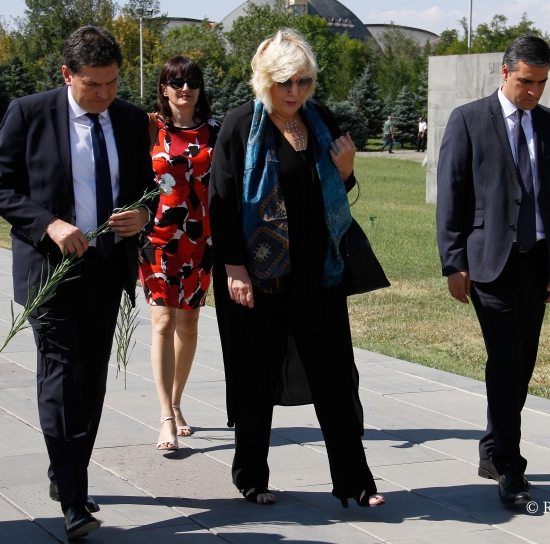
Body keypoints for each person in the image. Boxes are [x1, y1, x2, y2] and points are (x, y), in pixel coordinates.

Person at [0, 27, 156, 538]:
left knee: (91, 379)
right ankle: (76, 501)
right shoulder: (30, 113)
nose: (103, 95)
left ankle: (65, 471)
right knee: (60, 371)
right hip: (49, 271)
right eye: (92, 85)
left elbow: (147, 187)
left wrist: (141, 214)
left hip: (105, 268)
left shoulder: (126, 119)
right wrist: (48, 224)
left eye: (112, 83)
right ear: (66, 75)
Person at [209, 28, 384, 508]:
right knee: (257, 376)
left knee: (336, 377)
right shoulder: (239, 126)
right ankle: (252, 475)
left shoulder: (320, 120)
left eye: (303, 81)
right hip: (259, 278)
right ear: (265, 80)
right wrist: (234, 268)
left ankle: (356, 482)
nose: (295, 92)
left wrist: (347, 172)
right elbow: (221, 205)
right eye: (285, 82)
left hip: (317, 273)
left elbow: (334, 194)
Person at [436, 35, 550, 505]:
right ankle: (511, 469)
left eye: (541, 83)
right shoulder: (469, 120)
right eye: (525, 82)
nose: (533, 92)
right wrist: (454, 261)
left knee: (523, 364)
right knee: (507, 361)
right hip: (488, 262)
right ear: (504, 72)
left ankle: (491, 448)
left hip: (538, 262)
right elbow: (451, 194)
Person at [140, 56, 220, 451]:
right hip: (157, 240)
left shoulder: (215, 132)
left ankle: (177, 400)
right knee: (162, 323)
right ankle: (165, 417)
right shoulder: (148, 128)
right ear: (164, 87)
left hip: (200, 241)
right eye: (175, 82)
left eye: (191, 82)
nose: (184, 89)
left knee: (188, 325)